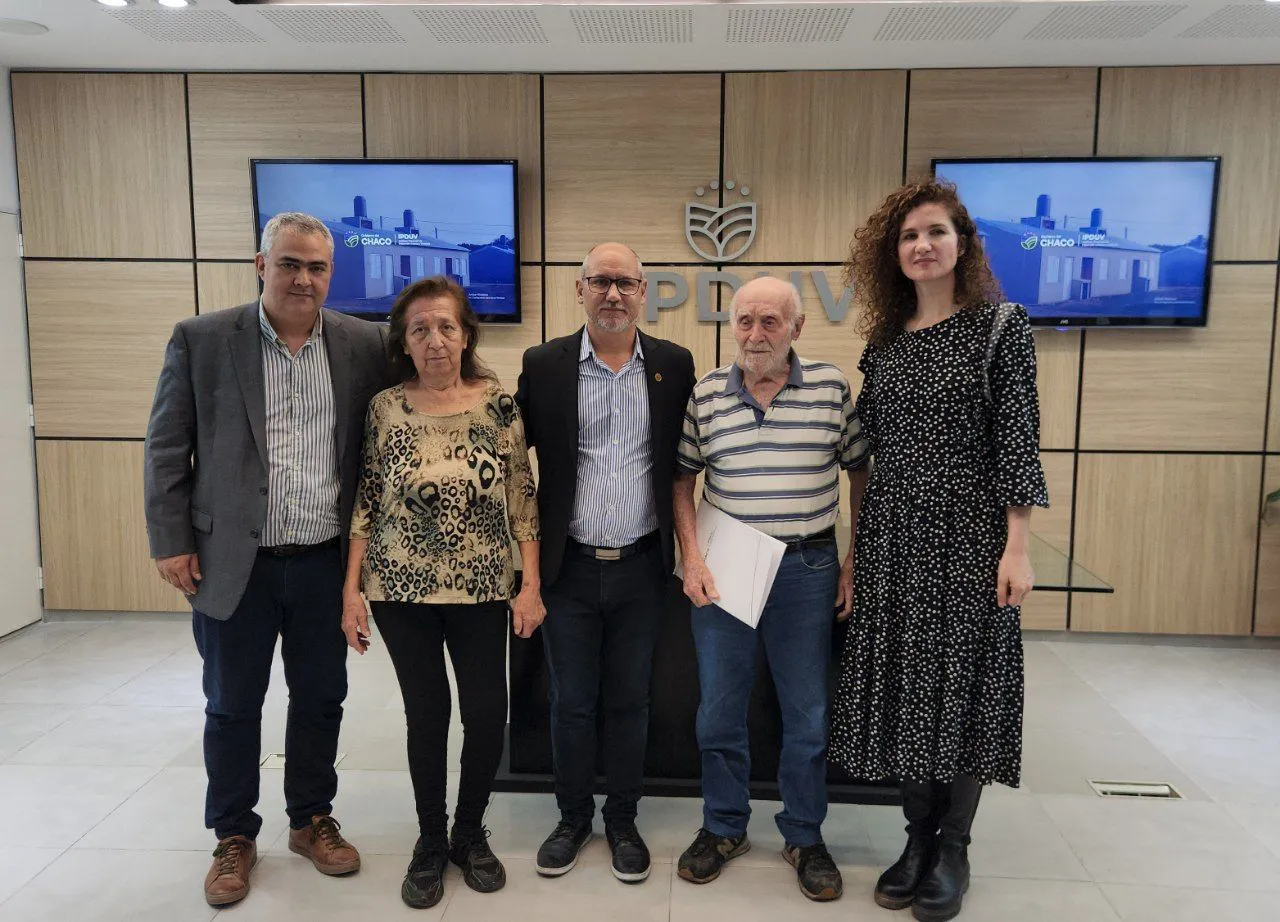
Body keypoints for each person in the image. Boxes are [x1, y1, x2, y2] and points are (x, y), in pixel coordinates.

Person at [144, 212, 389, 907]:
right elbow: (167, 446)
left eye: (317, 267)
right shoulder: (202, 339)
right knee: (231, 704)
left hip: (323, 561)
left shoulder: (362, 343)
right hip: (232, 562)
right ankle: (233, 834)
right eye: (289, 263)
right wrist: (170, 538)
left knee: (321, 697)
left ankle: (311, 819)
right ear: (261, 265)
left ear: (331, 274)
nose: (303, 278)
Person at [829, 180, 1049, 922]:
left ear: (963, 244)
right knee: (906, 689)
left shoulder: (1000, 327)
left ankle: (953, 847)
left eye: (935, 232)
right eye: (908, 236)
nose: (922, 245)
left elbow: (1017, 443)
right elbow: (864, 449)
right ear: (892, 254)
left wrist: (1017, 547)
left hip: (970, 539)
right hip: (894, 538)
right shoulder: (885, 342)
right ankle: (915, 839)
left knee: (962, 690)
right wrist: (854, 549)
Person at [342, 276, 544, 910]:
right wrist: (351, 590)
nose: (435, 340)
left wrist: (531, 585)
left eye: (447, 327)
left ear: (466, 336)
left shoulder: (498, 405)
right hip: (400, 588)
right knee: (426, 714)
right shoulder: (384, 407)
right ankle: (431, 839)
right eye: (420, 329)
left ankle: (469, 833)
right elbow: (367, 499)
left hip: (483, 586)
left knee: (485, 714)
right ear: (404, 342)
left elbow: (522, 498)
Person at [673, 275, 869, 902]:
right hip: (726, 568)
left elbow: (860, 471)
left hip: (807, 569)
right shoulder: (706, 392)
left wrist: (853, 558)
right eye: (745, 321)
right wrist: (692, 557)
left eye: (770, 322)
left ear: (797, 328)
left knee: (806, 713)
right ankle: (723, 827)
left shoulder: (831, 388)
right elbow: (682, 479)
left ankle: (804, 835)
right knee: (718, 709)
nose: (755, 334)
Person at [515, 243, 696, 883]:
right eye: (600, 281)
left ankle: (622, 819)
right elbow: (511, 459)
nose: (613, 293)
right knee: (571, 703)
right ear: (580, 289)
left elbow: (686, 463)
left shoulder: (674, 365)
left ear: (643, 291)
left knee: (629, 701)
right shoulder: (544, 365)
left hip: (642, 568)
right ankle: (572, 819)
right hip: (568, 568)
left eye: (625, 282)